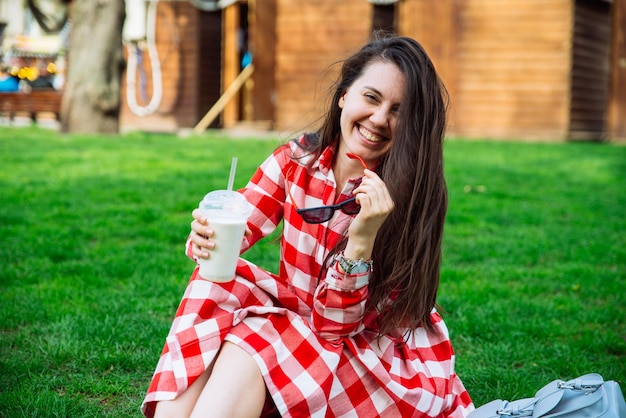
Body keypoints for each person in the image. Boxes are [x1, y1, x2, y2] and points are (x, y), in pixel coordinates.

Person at [142, 33, 474, 418]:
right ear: (344, 96)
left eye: (398, 110)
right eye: (371, 97)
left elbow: (337, 326)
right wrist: (205, 237)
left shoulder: (405, 196)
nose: (380, 119)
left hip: (371, 358)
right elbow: (237, 226)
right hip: (301, 326)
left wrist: (362, 239)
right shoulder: (298, 161)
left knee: (253, 339)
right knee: (213, 283)